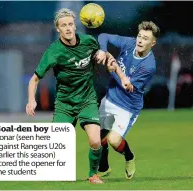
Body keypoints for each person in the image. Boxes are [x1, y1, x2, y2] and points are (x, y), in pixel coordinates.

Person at [25, 8, 105, 184]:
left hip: (87, 100)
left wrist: (101, 54)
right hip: (64, 103)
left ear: (75, 26)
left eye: (70, 24)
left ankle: (93, 174)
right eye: (63, 25)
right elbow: (34, 79)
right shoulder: (54, 51)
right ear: (58, 29)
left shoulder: (89, 42)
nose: (68, 28)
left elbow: (99, 54)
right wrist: (31, 100)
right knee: (56, 143)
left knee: (95, 141)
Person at [95, 21, 160, 179]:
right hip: (110, 98)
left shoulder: (149, 66)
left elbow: (127, 86)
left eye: (145, 38)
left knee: (113, 140)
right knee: (98, 136)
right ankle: (104, 167)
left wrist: (113, 69)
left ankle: (129, 157)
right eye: (139, 36)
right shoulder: (129, 43)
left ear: (153, 43)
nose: (139, 40)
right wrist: (104, 51)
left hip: (127, 107)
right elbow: (103, 36)